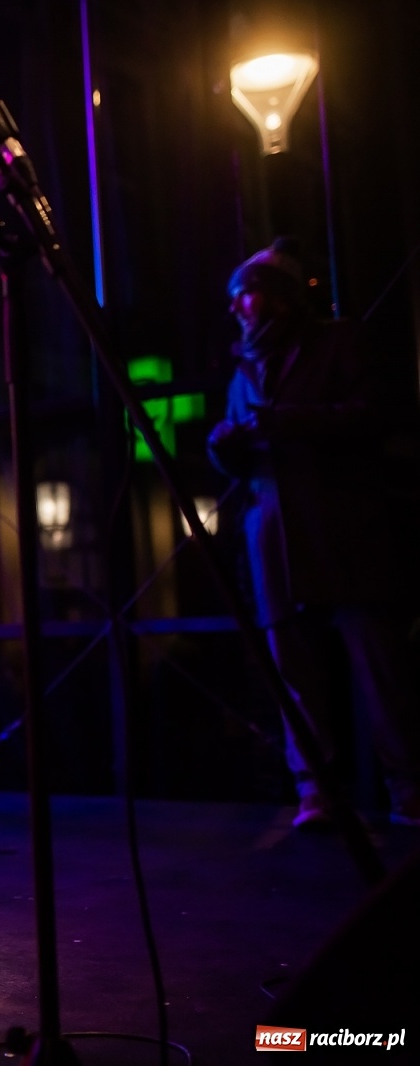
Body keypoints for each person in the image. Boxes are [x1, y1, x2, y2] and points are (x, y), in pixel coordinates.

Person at [207, 238, 420, 829]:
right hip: (275, 535)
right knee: (293, 672)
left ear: (274, 298)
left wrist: (284, 422)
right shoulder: (244, 366)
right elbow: (247, 454)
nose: (237, 308)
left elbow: (371, 416)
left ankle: (409, 789)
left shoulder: (338, 341)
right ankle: (316, 792)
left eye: (244, 294)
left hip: (342, 527)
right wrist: (224, 448)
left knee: (380, 668)